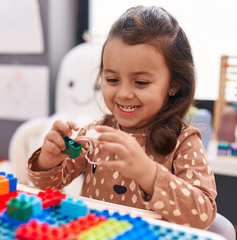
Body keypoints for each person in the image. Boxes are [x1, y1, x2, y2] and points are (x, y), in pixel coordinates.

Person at [26, 6, 217, 229]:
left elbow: (203, 214)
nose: (124, 93)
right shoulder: (95, 134)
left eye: (141, 82)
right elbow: (48, 185)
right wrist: (47, 161)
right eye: (112, 80)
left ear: (173, 85)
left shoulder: (184, 141)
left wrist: (148, 173)